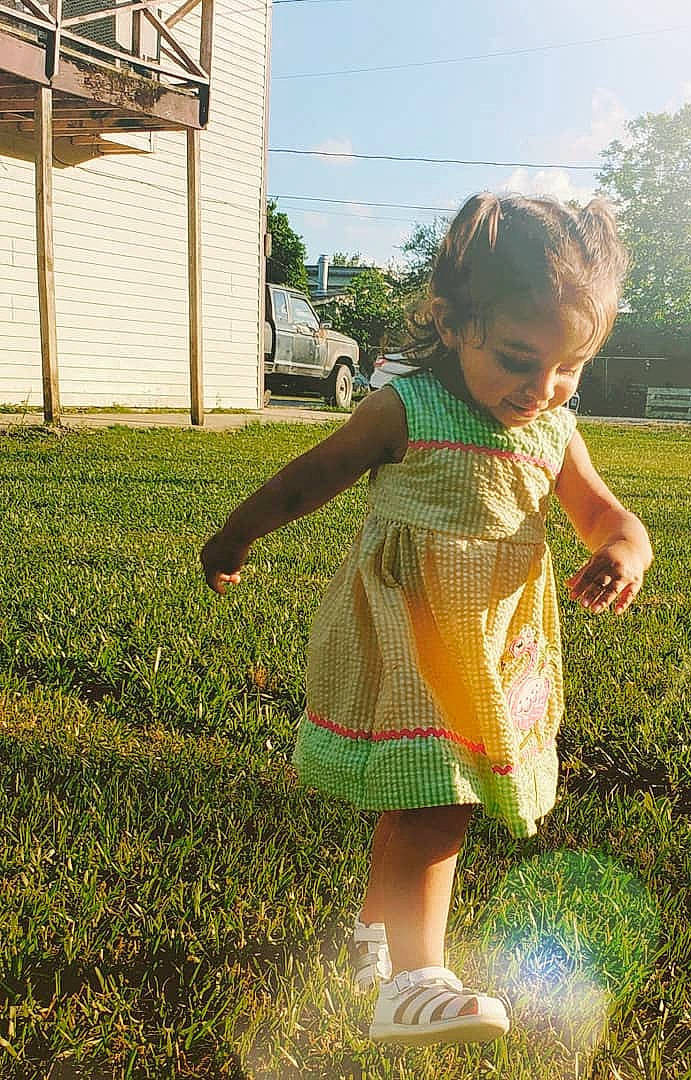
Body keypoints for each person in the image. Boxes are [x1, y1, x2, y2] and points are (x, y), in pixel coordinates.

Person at [200, 193, 653, 1046]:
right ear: (451, 323)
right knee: (436, 805)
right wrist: (236, 535)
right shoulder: (407, 409)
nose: (542, 387)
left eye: (569, 368)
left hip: (490, 647)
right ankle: (412, 984)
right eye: (521, 358)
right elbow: (309, 478)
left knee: (428, 798)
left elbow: (610, 517)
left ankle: (376, 948)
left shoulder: (554, 430)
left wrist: (623, 554)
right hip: (408, 636)